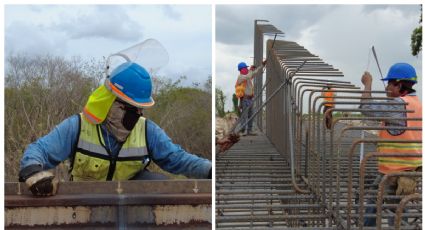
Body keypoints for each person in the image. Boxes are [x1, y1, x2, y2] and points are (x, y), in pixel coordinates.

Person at [18, 61, 212, 196]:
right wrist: (33, 171)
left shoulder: (146, 131)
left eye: (140, 109)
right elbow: (40, 149)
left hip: (131, 205)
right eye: (131, 108)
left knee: (156, 183)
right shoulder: (78, 127)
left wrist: (209, 170)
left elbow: (177, 158)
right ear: (110, 103)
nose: (136, 115)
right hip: (85, 203)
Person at [360, 63, 422, 226]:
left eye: (389, 84)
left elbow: (366, 108)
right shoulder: (416, 104)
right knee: (399, 210)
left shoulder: (399, 104)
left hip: (394, 171)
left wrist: (367, 84)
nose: (386, 87)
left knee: (374, 205)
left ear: (400, 85)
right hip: (410, 171)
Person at [235, 60, 266, 135]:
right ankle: (243, 131)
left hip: (250, 98)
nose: (246, 69)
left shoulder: (247, 76)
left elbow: (254, 73)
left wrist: (262, 65)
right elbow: (249, 75)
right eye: (245, 68)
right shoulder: (241, 77)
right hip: (244, 99)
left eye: (246, 68)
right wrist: (251, 70)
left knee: (251, 115)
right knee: (244, 116)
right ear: (241, 69)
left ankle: (249, 130)